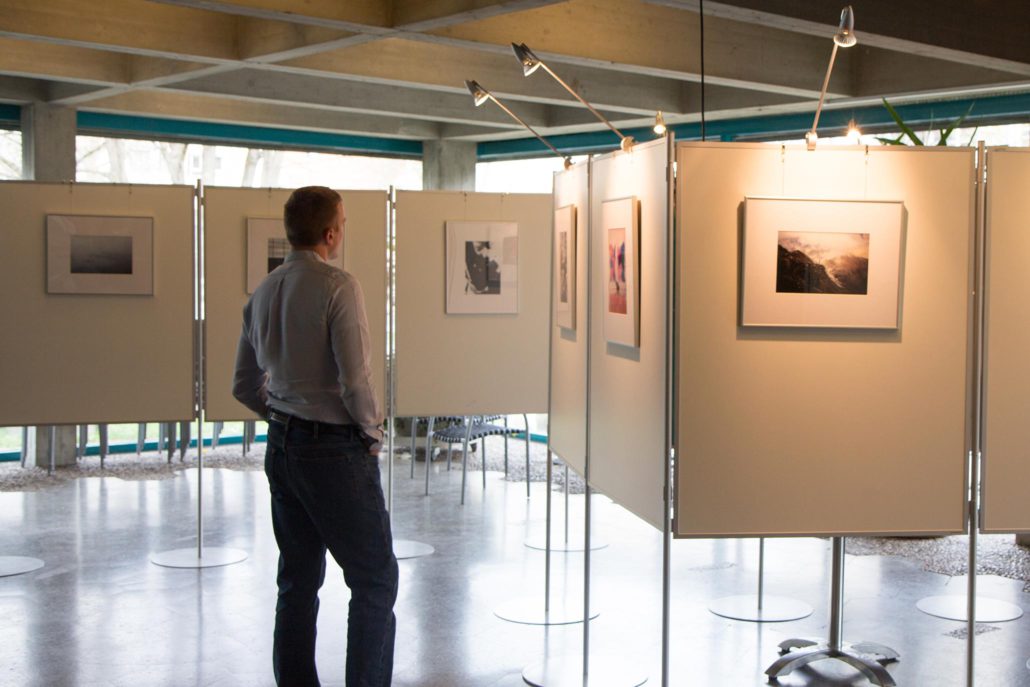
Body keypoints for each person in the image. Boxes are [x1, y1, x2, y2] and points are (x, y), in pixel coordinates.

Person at [232, 186, 397, 687]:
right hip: (334, 451)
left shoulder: (262, 292)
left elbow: (243, 385)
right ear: (330, 233)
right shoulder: (338, 286)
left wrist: (286, 418)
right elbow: (356, 380)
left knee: (297, 582)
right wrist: (371, 432)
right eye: (343, 222)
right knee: (374, 580)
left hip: (282, 447)